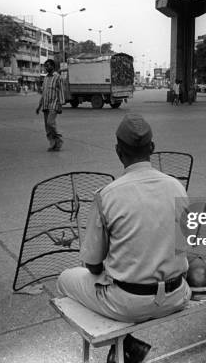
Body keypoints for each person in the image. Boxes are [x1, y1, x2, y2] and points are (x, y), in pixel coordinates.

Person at [57, 113, 191, 363]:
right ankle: (126, 347)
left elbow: (93, 265)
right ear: (152, 148)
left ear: (118, 152)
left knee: (65, 280)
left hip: (128, 304)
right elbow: (183, 247)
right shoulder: (176, 187)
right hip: (178, 295)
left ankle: (125, 346)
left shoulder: (108, 195)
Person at [36, 59, 64, 151]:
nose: (46, 68)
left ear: (53, 66)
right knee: (47, 127)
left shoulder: (57, 77)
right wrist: (39, 106)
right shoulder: (45, 78)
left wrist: (61, 104)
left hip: (54, 104)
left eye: (48, 66)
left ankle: (58, 139)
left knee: (50, 122)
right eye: (45, 66)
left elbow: (61, 91)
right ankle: (53, 144)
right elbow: (44, 93)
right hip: (45, 105)